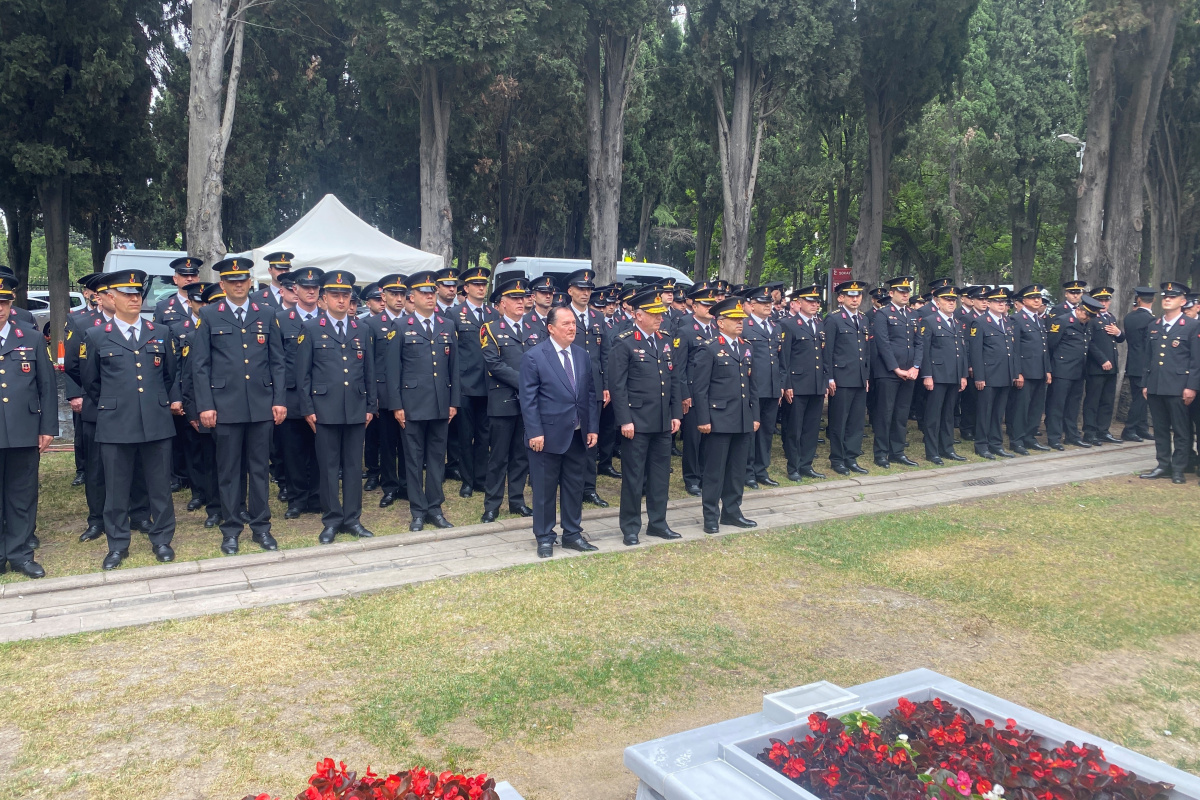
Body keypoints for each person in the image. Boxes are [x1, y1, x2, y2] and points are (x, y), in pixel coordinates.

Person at [82, 270, 180, 570]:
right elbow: (91, 381)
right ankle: (117, 544)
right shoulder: (96, 336)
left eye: (137, 294)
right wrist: (118, 404)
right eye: (127, 294)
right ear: (111, 297)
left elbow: (169, 375)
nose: (135, 298)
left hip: (155, 420)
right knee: (116, 488)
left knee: (160, 486)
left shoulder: (159, 332)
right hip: (115, 422)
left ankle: (162, 539)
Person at [190, 256, 287, 555]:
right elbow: (200, 365)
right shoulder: (209, 316)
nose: (238, 285)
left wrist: (279, 399)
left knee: (259, 470)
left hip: (260, 405)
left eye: (243, 280)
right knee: (229, 471)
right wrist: (205, 405)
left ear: (250, 282)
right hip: (225, 406)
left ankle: (261, 528)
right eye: (232, 281)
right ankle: (231, 529)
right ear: (223, 284)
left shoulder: (267, 313)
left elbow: (278, 362)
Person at [295, 269, 377, 543]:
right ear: (323, 299)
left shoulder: (361, 329)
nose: (341, 301)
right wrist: (307, 408)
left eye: (345, 295)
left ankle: (352, 519)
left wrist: (371, 406)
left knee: (353, 466)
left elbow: (369, 371)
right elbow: (302, 374)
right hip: (324, 408)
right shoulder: (310, 328)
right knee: (328, 467)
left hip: (355, 407)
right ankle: (331, 520)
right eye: (335, 295)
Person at [519, 305, 600, 558]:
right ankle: (544, 536)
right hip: (546, 435)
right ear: (551, 328)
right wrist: (534, 432)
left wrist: (592, 427)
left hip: (577, 433)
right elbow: (528, 399)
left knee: (574, 485)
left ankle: (572, 534)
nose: (572, 327)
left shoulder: (581, 355)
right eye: (565, 324)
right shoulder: (535, 356)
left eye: (573, 323)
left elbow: (588, 394)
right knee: (544, 489)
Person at [608, 287, 683, 546]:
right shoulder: (625, 341)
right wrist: (624, 420)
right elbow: (617, 385)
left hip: (662, 421)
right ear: (638, 315)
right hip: (637, 422)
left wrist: (676, 414)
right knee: (634, 477)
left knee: (660, 475)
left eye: (661, 313)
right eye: (653, 314)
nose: (659, 317)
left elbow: (672, 380)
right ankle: (630, 526)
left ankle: (658, 523)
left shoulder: (664, 340)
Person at [386, 270, 460, 532]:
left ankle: (435, 508)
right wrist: (396, 405)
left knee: (437, 458)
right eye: (424, 293)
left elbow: (454, 368)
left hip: (441, 403)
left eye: (432, 292)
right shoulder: (400, 326)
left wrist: (454, 401)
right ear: (412, 296)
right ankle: (418, 510)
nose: (430, 297)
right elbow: (392, 370)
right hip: (413, 404)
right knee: (414, 460)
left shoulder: (446, 325)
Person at [0, 272, 56, 578]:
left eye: (4, 301)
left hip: (24, 429)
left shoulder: (31, 338)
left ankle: (21, 554)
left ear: (11, 304)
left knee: (22, 495)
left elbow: (46, 387)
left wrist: (47, 427)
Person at [691, 297, 758, 534]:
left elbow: (752, 386)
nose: (740, 323)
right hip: (718, 419)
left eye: (741, 319)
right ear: (720, 322)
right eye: (734, 319)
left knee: (737, 469)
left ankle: (732, 511)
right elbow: (700, 389)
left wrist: (755, 415)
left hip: (742, 417)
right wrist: (703, 419)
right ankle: (711, 515)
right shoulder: (709, 348)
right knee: (714, 471)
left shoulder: (746, 346)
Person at [480, 277, 538, 523]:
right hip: (503, 401)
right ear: (502, 303)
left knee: (521, 455)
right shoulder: (490, 329)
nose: (520, 303)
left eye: (522, 298)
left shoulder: (534, 329)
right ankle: (492, 504)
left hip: (528, 404)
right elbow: (494, 364)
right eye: (514, 299)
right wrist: (526, 382)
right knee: (498, 457)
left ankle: (517, 501)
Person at [1139, 282, 1200, 483]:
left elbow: (1195, 360)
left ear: (1183, 302)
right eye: (1165, 296)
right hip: (1156, 385)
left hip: (1178, 387)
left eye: (1172, 297)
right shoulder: (1154, 326)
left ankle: (1179, 469)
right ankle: (1163, 465)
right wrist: (1146, 383)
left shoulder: (1192, 326)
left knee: (1181, 431)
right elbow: (1148, 358)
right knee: (1160, 428)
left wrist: (1191, 386)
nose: (1167, 299)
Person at [276, 267, 323, 520]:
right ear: (296, 289)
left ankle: (317, 497)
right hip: (292, 397)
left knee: (320, 450)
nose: (311, 291)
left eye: (315, 287)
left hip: (322, 396)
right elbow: (277, 362)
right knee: (293, 452)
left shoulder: (328, 318)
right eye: (306, 287)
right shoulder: (281, 320)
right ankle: (296, 499)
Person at [564, 268, 611, 508]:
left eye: (588, 289)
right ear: (570, 291)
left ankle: (589, 488)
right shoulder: (561, 316)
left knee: (592, 437)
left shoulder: (598, 318)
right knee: (569, 438)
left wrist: (607, 386)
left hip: (595, 388)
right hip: (570, 388)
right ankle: (569, 485)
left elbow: (605, 354)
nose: (585, 293)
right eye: (581, 289)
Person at [177, 282, 223, 528]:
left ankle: (237, 506)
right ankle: (214, 508)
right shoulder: (195, 336)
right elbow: (189, 376)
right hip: (208, 409)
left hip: (234, 409)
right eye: (214, 303)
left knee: (236, 462)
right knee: (210, 461)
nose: (219, 307)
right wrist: (193, 409)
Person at [363, 273, 408, 508]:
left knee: (408, 443)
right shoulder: (371, 324)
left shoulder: (412, 321)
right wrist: (374, 399)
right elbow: (369, 365)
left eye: (402, 294)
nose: (399, 299)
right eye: (394, 294)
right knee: (388, 443)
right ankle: (390, 487)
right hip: (384, 394)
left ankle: (407, 484)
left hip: (410, 392)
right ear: (384, 296)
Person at [451, 266, 496, 499]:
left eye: (484, 284)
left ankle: (481, 478)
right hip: (465, 385)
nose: (481, 288)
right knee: (465, 435)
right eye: (476, 284)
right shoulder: (454, 315)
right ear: (466, 288)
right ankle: (467, 480)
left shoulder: (493, 315)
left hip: (488, 385)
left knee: (484, 435)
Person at [870, 276, 921, 468]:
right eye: (901, 291)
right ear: (891, 293)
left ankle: (897, 451)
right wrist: (896, 368)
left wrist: (915, 367)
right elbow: (883, 344)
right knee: (885, 413)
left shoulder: (913, 315)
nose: (905, 294)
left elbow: (919, 343)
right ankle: (881, 453)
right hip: (889, 372)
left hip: (909, 372)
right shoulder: (883, 314)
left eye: (907, 291)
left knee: (901, 414)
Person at [676, 282, 721, 496]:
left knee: (710, 436)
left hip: (713, 391)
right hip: (694, 392)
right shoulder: (685, 331)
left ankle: (705, 474)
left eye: (712, 305)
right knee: (693, 439)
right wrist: (684, 393)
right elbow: (679, 366)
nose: (709, 309)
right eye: (705, 305)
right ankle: (692, 478)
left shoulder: (717, 329)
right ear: (694, 307)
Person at [779, 285, 827, 481]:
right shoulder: (789, 324)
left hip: (815, 384)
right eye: (810, 301)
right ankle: (793, 466)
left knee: (811, 427)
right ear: (798, 303)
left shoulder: (820, 324)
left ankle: (807, 464)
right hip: (797, 384)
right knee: (794, 428)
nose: (814, 304)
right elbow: (785, 358)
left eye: (817, 302)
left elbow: (823, 356)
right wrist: (787, 384)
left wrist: (824, 381)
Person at [968, 287, 1021, 459]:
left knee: (998, 412)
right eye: (997, 301)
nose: (1001, 304)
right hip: (988, 375)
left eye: (1003, 302)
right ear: (989, 303)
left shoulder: (1007, 322)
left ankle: (996, 443)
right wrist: (979, 376)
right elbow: (976, 352)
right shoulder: (980, 322)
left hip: (1005, 375)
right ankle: (981, 445)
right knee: (985, 412)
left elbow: (1011, 350)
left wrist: (1014, 373)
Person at [824, 281, 871, 475]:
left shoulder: (863, 318)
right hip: (841, 377)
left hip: (859, 377)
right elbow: (828, 351)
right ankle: (837, 459)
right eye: (850, 295)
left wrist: (866, 376)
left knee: (856, 421)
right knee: (839, 421)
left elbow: (865, 351)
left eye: (858, 295)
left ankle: (851, 457)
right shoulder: (833, 319)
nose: (855, 299)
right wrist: (829, 378)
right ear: (840, 298)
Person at [919, 285, 969, 464]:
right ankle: (932, 452)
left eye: (953, 300)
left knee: (948, 414)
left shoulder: (956, 322)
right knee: (933, 415)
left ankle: (947, 448)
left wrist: (963, 375)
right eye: (947, 300)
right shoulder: (930, 321)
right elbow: (925, 351)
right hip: (937, 375)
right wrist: (927, 375)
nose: (950, 303)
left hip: (954, 375)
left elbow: (961, 351)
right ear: (938, 302)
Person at [741, 285, 784, 487]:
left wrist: (782, 384)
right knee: (751, 431)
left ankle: (761, 469)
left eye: (770, 303)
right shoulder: (744, 326)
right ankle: (748, 471)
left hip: (773, 386)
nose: (768, 306)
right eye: (763, 303)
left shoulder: (776, 327)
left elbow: (780, 359)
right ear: (752, 305)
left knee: (766, 430)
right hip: (753, 386)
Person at [1045, 293, 1094, 450]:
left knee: (1073, 406)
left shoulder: (1085, 324)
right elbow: (1051, 345)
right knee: (1057, 406)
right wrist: (1050, 369)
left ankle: (1072, 436)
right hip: (1062, 370)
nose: (1088, 318)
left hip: (1079, 370)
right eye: (1087, 314)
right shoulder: (1063, 321)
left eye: (1091, 316)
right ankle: (1054, 437)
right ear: (1079, 310)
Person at [1010, 285, 1051, 453]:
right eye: (1032, 298)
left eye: (1039, 298)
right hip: (1025, 372)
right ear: (1023, 301)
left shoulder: (1039, 320)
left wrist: (1047, 369)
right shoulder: (1016, 319)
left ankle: (1030, 437)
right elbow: (1014, 349)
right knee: (1021, 408)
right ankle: (1017, 440)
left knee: (1036, 408)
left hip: (1039, 371)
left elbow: (1044, 347)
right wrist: (1017, 372)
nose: (1037, 300)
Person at [1082, 286, 1125, 445]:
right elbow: (1089, 342)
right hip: (1096, 367)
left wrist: (1118, 332)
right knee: (1093, 400)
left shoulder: (1110, 317)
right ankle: (1090, 432)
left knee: (1107, 400)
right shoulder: (1091, 318)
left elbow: (1120, 340)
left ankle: (1103, 430)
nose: (1104, 302)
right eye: (1100, 300)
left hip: (1111, 366)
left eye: (1106, 300)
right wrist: (1102, 360)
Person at [1121, 287, 1157, 442]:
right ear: (1154, 300)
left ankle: (1141, 427)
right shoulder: (1151, 320)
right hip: (1145, 364)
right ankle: (1129, 429)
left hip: (1133, 362)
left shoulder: (1129, 317)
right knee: (1140, 399)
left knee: (1139, 397)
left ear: (1138, 299)